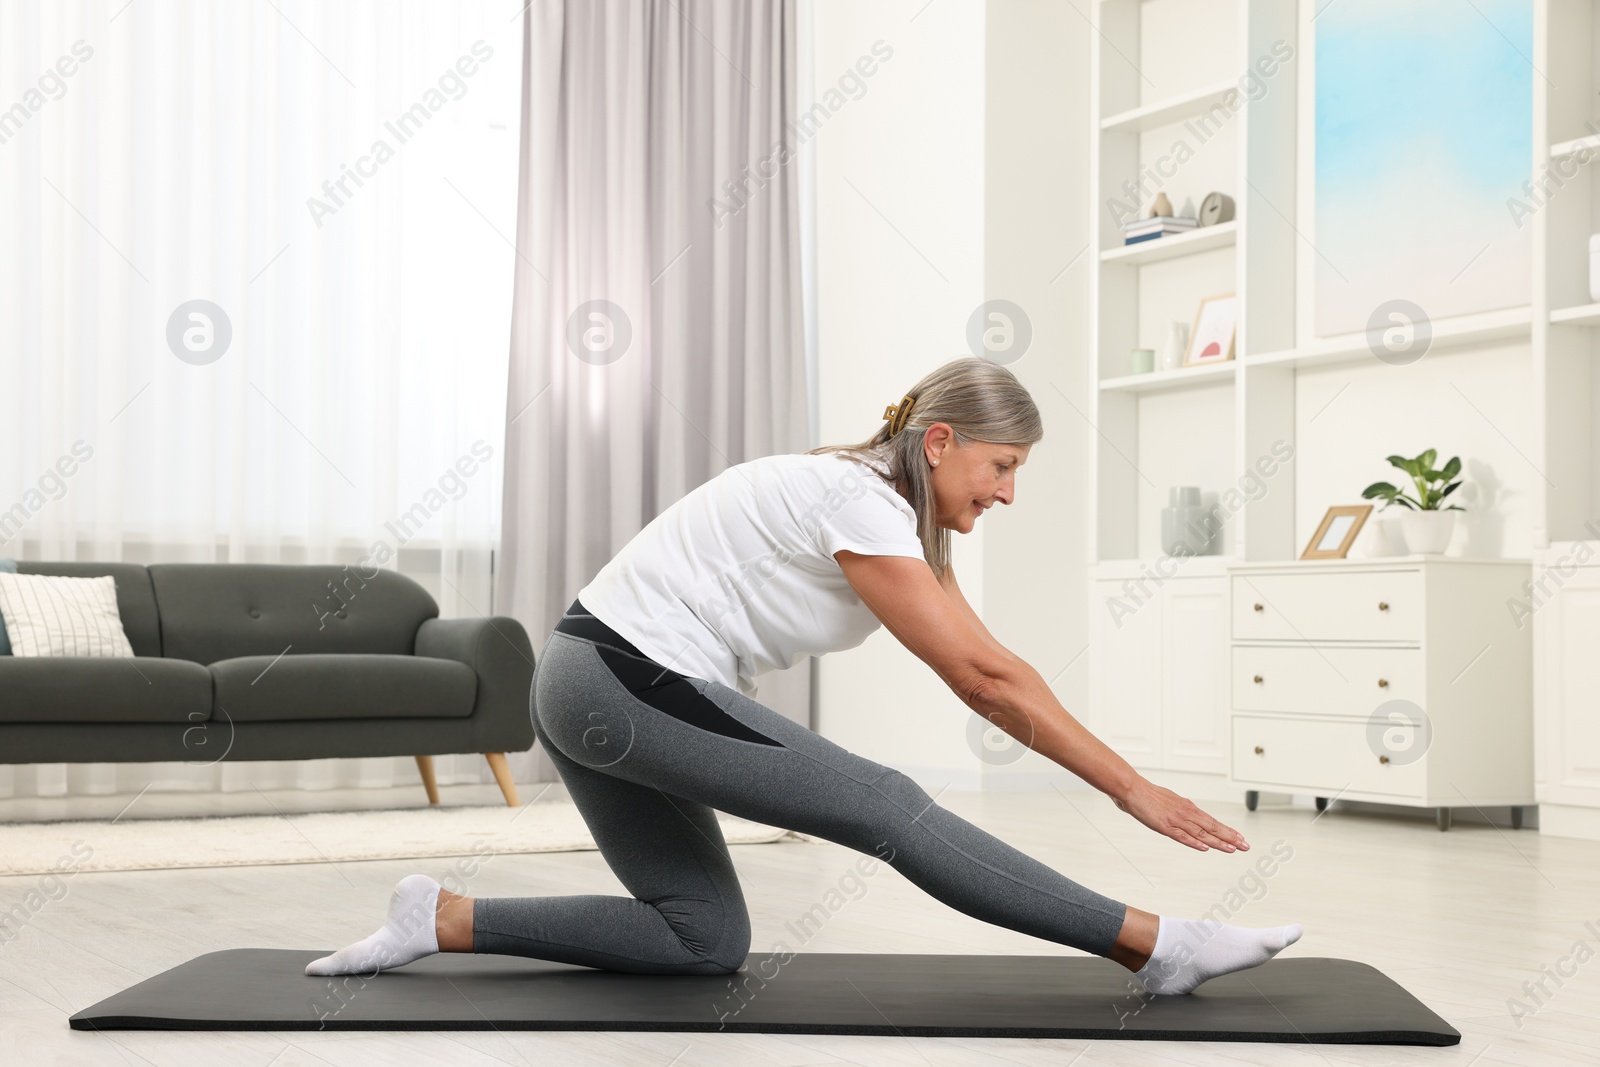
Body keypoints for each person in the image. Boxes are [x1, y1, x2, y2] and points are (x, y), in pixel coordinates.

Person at [306, 357, 1301, 995]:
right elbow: (984, 681)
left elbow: (1000, 667)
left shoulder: (889, 518)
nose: (1007, 491)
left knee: (702, 937)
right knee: (888, 804)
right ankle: (1155, 943)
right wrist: (1132, 787)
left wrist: (1118, 777)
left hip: (589, 684)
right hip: (617, 677)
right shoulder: (856, 496)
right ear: (941, 441)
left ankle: (441, 915)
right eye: (1000, 466)